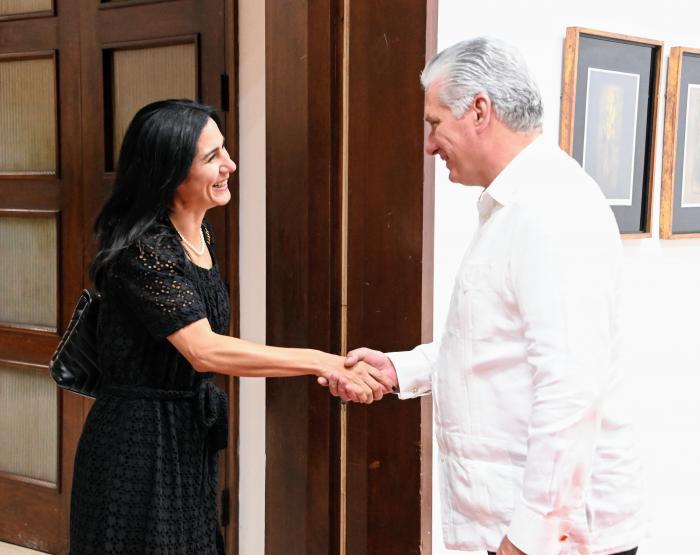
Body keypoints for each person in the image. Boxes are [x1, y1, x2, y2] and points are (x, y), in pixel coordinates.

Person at [322, 38, 649, 555]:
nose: (429, 145)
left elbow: (571, 389)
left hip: (553, 540)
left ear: (479, 110)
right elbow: (495, 344)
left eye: (434, 123)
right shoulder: (513, 205)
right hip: (516, 529)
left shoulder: (551, 209)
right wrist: (399, 369)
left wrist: (531, 538)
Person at [69, 99, 391, 554]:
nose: (230, 164)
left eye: (224, 148)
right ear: (169, 171)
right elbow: (205, 350)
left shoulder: (199, 235)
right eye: (212, 156)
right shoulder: (145, 250)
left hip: (185, 435)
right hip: (138, 443)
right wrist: (323, 361)